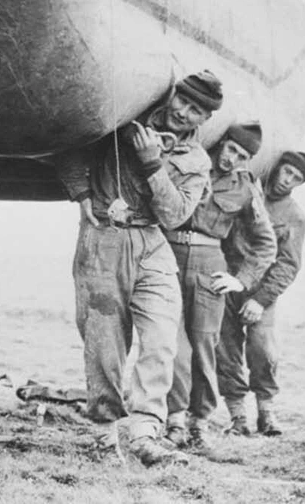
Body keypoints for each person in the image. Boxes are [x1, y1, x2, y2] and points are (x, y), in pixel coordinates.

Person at [55, 70, 222, 467]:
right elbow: (69, 144)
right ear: (172, 95)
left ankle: (145, 433)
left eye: (196, 110)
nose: (183, 112)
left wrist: (152, 165)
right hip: (103, 240)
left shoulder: (196, 160)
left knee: (162, 339)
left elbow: (176, 214)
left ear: (204, 120)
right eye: (182, 100)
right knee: (105, 342)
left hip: (152, 243)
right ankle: (103, 433)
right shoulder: (122, 118)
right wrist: (81, 194)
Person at [163, 122, 276, 451]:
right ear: (221, 143)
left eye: (242, 156)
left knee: (203, 347)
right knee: (172, 345)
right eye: (231, 150)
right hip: (167, 258)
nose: (232, 160)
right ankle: (174, 422)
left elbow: (265, 244)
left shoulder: (245, 187)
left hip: (209, 266)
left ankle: (199, 423)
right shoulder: (189, 165)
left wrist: (241, 280)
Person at [217, 150, 305, 438]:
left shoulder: (294, 216)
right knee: (225, 350)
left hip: (261, 291)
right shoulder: (244, 192)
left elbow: (288, 264)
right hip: (227, 280)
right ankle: (237, 417)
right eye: (287, 171)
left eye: (296, 178)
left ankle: (267, 414)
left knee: (262, 349)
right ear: (276, 168)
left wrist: (260, 300)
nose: (288, 180)